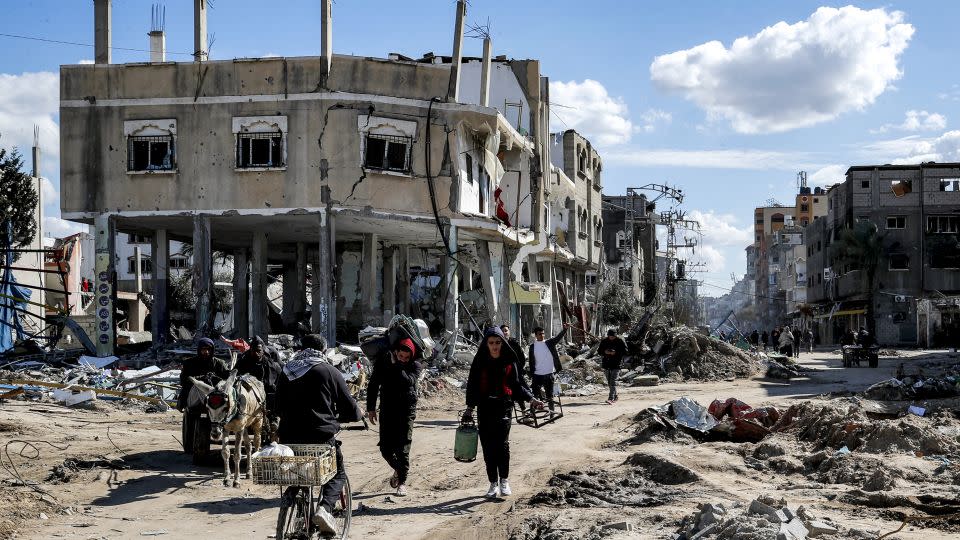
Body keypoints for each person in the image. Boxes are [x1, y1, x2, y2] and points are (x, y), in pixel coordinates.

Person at [275, 335, 363, 535]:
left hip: (288, 438)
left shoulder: (287, 371)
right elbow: (349, 408)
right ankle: (325, 509)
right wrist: (354, 415)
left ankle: (299, 512)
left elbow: (277, 407)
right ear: (323, 350)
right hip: (320, 437)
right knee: (337, 472)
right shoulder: (329, 371)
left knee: (298, 473)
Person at [463, 327, 543, 498]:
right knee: (487, 446)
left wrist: (531, 399)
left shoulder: (509, 361)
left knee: (502, 445)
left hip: (504, 406)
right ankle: (492, 483)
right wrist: (469, 408)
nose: (494, 346)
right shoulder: (479, 362)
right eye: (491, 343)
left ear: (502, 343)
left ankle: (504, 480)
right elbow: (472, 387)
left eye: (497, 343)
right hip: (485, 407)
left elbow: (517, 385)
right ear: (486, 344)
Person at [366, 337, 422, 497]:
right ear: (395, 351)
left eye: (406, 357)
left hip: (406, 410)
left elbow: (408, 381)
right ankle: (398, 469)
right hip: (387, 408)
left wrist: (397, 364)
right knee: (385, 448)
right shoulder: (383, 361)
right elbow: (373, 384)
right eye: (400, 356)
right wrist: (371, 408)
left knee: (403, 447)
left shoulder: (415, 365)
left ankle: (402, 483)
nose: (403, 360)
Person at [234, 336, 283, 419]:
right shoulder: (244, 359)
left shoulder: (270, 362)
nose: (256, 353)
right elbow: (236, 373)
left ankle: (274, 417)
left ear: (263, 351)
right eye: (254, 351)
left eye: (259, 351)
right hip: (251, 388)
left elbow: (280, 372)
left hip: (267, 386)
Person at [177, 337, 229, 411]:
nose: (206, 352)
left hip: (215, 392)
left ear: (212, 350)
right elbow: (183, 380)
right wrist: (199, 379)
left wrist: (214, 378)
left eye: (208, 349)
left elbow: (227, 378)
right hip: (195, 392)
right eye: (203, 349)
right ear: (199, 350)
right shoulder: (189, 363)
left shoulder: (219, 363)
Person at [527, 324, 568, 413]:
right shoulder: (532, 347)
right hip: (537, 374)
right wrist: (532, 373)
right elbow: (531, 361)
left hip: (549, 373)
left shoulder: (549, 343)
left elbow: (558, 338)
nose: (542, 335)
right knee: (534, 395)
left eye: (543, 334)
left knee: (549, 395)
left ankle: (551, 414)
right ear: (535, 335)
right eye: (539, 334)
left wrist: (564, 330)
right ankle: (532, 413)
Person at [500, 324, 532, 411]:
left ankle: (524, 411)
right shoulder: (498, 344)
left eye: (506, 330)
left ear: (509, 332)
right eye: (503, 331)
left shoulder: (514, 343)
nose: (505, 332)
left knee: (519, 391)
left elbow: (521, 357)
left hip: (516, 372)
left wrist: (519, 368)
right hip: (504, 373)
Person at [598, 330, 627, 404]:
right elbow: (599, 351)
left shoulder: (620, 341)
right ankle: (615, 396)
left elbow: (626, 351)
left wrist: (616, 352)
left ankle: (611, 398)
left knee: (613, 382)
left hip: (617, 364)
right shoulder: (604, 341)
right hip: (607, 364)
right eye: (611, 336)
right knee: (609, 382)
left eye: (613, 336)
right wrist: (605, 352)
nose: (612, 338)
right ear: (608, 335)